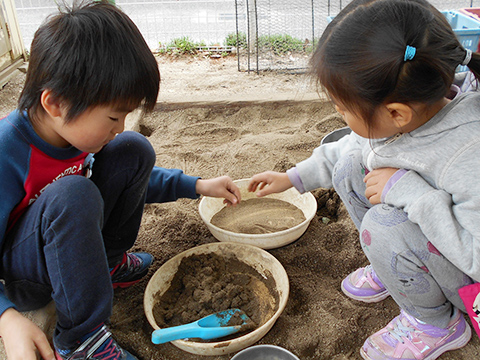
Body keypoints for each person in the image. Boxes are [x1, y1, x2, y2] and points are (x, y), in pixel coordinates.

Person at [0, 1, 241, 359]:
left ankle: (106, 264)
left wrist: (196, 185)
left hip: (69, 239)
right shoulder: (7, 152)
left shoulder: (74, 133)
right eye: (114, 117)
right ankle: (80, 339)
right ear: (56, 104)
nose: (119, 127)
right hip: (29, 276)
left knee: (133, 149)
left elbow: (132, 174)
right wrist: (6, 316)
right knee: (73, 193)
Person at [248, 0, 480, 359]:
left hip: (470, 282)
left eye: (342, 108)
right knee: (351, 164)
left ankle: (435, 323)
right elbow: (353, 145)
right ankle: (394, 265)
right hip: (429, 241)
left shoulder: (468, 152)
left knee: (382, 224)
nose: (337, 112)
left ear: (396, 114)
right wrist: (292, 178)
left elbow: (475, 256)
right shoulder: (410, 107)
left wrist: (410, 193)